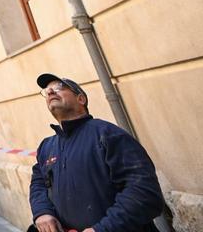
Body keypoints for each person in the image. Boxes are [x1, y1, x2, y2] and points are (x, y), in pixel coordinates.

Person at [29, 73, 165, 232]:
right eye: (47, 91)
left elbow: (145, 192)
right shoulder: (47, 147)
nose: (50, 92)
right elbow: (38, 183)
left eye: (59, 87)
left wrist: (102, 229)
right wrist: (42, 212)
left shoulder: (109, 135)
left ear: (81, 99)